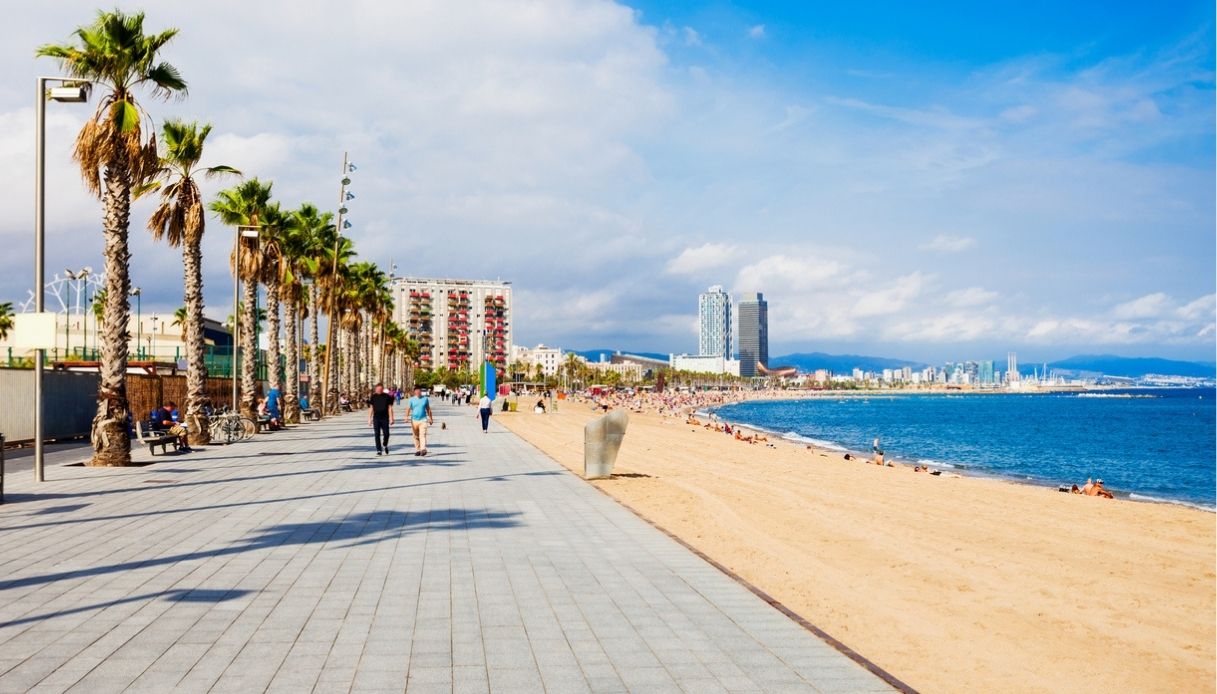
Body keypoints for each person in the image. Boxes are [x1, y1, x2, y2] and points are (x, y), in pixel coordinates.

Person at [367, 383, 395, 456]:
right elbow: (371, 408)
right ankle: (379, 450)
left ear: (382, 389)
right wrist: (369, 419)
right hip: (376, 418)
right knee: (377, 434)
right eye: (377, 389)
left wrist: (392, 418)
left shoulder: (387, 397)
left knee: (387, 434)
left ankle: (385, 444)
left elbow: (390, 408)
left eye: (380, 389)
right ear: (375, 389)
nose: (379, 391)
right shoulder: (373, 397)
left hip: (385, 418)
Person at [408, 386, 434, 456]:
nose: (418, 392)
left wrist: (431, 418)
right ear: (414, 392)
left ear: (420, 391)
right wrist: (406, 417)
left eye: (419, 391)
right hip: (414, 420)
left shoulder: (425, 399)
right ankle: (418, 450)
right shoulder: (411, 399)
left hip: (423, 420)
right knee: (416, 436)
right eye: (416, 391)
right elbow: (408, 409)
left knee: (422, 435)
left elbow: (428, 409)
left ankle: (423, 449)